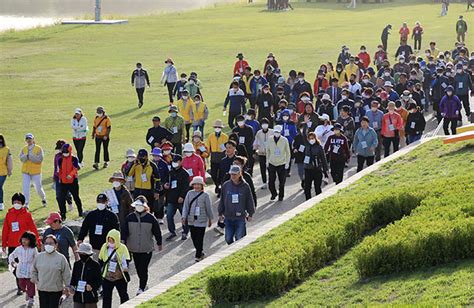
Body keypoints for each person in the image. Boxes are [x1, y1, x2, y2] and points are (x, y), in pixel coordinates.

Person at [122, 196, 162, 295]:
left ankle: (141, 287)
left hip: (146, 248)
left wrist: (159, 243)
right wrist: (123, 242)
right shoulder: (130, 217)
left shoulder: (150, 218)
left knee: (143, 268)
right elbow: (124, 231)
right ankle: (144, 284)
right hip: (134, 248)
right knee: (138, 268)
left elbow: (157, 231)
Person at [2, 193, 41, 295]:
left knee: (25, 265)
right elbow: (5, 229)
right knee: (14, 266)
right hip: (12, 244)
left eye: (18, 202)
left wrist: (38, 241)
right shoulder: (9, 214)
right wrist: (4, 244)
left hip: (25, 245)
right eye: (15, 202)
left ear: (22, 203)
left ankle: (22, 286)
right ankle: (21, 282)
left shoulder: (27, 215)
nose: (16, 204)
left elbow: (33, 229)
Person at [31, 234, 71, 308]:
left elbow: (67, 274)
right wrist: (37, 281)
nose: (48, 245)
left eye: (51, 243)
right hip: (42, 289)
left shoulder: (61, 258)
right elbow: (33, 271)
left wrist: (68, 287)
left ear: (56, 245)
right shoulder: (39, 257)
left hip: (56, 290)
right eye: (46, 243)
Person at [218, 165, 255, 245]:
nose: (233, 176)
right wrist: (220, 213)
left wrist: (250, 213)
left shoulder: (245, 186)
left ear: (239, 174)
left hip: (240, 217)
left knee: (239, 238)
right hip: (228, 217)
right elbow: (222, 200)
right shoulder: (226, 185)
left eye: (235, 174)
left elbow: (249, 200)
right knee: (228, 239)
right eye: (231, 174)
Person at [182, 176, 213, 262]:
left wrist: (210, 218)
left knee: (200, 237)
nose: (196, 186)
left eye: (198, 184)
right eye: (194, 184)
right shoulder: (189, 193)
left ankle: (198, 254)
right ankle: (200, 252)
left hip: (202, 220)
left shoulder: (205, 195)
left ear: (202, 185)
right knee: (193, 237)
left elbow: (209, 208)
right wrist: (184, 217)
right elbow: (186, 206)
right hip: (191, 219)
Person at [98, 229, 130, 308]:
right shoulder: (104, 247)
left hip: (120, 277)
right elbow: (100, 259)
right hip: (107, 277)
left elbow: (127, 259)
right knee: (106, 298)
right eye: (109, 240)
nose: (110, 243)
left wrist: (125, 266)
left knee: (123, 296)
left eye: (112, 241)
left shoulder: (123, 248)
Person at [126, 149, 161, 213]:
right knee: (137, 209)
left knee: (148, 209)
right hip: (137, 190)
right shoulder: (135, 164)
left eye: (143, 156)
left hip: (148, 191)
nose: (141, 158)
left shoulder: (152, 165)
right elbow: (129, 174)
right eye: (140, 156)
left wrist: (156, 191)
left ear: (146, 156)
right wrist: (134, 164)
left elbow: (157, 179)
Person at [8, 231, 38, 307]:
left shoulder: (33, 249)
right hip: (21, 268)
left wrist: (37, 267)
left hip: (30, 269)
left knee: (31, 284)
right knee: (21, 284)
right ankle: (26, 291)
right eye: (23, 239)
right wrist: (12, 262)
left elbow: (37, 258)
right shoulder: (18, 249)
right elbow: (11, 255)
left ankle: (31, 299)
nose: (24, 241)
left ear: (31, 240)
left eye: (26, 239)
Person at [164, 155, 190, 241]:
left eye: (176, 161)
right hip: (171, 198)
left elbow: (186, 187)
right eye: (173, 161)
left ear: (180, 162)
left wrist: (182, 196)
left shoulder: (185, 173)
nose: (174, 163)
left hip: (181, 199)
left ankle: (185, 232)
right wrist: (166, 185)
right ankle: (172, 232)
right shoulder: (170, 173)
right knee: (169, 216)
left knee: (184, 216)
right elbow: (167, 182)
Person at [69, 243, 102, 308]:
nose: (82, 255)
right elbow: (73, 279)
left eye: (84, 254)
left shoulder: (95, 265)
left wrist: (92, 287)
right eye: (81, 253)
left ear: (89, 254)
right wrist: (71, 287)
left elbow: (99, 281)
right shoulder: (76, 264)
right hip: (78, 297)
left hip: (90, 297)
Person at [56, 143, 84, 219]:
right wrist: (60, 179)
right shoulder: (60, 159)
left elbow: (75, 168)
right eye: (64, 152)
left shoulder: (74, 159)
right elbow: (59, 170)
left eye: (66, 152)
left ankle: (80, 212)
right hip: (63, 182)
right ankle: (63, 214)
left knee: (76, 197)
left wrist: (71, 175)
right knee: (61, 198)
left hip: (73, 181)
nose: (65, 154)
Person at [19, 133, 46, 207]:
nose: (29, 140)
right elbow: (21, 159)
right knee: (25, 188)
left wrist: (29, 156)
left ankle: (43, 198)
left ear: (33, 139)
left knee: (38, 188)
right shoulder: (24, 148)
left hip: (36, 172)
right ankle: (26, 204)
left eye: (30, 139)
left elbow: (39, 159)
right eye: (27, 139)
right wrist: (26, 156)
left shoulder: (38, 148)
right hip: (25, 172)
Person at [266, 125, 291, 201]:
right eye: (275, 132)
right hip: (272, 163)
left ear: (280, 132)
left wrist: (287, 163)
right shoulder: (270, 139)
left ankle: (281, 196)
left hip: (282, 163)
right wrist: (267, 161)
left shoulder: (284, 140)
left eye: (278, 132)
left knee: (282, 182)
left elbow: (288, 152)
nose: (276, 133)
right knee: (271, 182)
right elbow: (268, 151)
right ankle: (274, 193)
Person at [303, 132, 329, 200]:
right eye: (310, 138)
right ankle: (308, 200)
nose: (311, 140)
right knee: (307, 187)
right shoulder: (306, 146)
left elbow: (323, 158)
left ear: (315, 138)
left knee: (317, 186)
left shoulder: (319, 147)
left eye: (313, 138)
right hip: (308, 169)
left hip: (317, 169)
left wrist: (325, 170)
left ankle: (318, 200)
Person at [206, 120, 228, 194]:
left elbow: (226, 147)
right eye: (216, 127)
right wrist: (207, 154)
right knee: (214, 174)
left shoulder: (225, 137)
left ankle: (220, 188)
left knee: (222, 174)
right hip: (214, 156)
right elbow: (208, 147)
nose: (217, 128)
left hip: (222, 156)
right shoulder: (210, 136)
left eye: (219, 127)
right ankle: (217, 184)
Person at [254, 118, 273, 189]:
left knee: (270, 169)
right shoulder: (259, 133)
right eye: (263, 124)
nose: (264, 125)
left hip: (270, 154)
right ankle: (264, 182)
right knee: (262, 169)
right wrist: (254, 150)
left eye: (266, 123)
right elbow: (256, 142)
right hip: (261, 153)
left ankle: (271, 181)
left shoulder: (272, 132)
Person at [0, 134, 13, 211]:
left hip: (3, 172)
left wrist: (9, 170)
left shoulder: (6, 149)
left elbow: (9, 160)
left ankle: (1, 203)